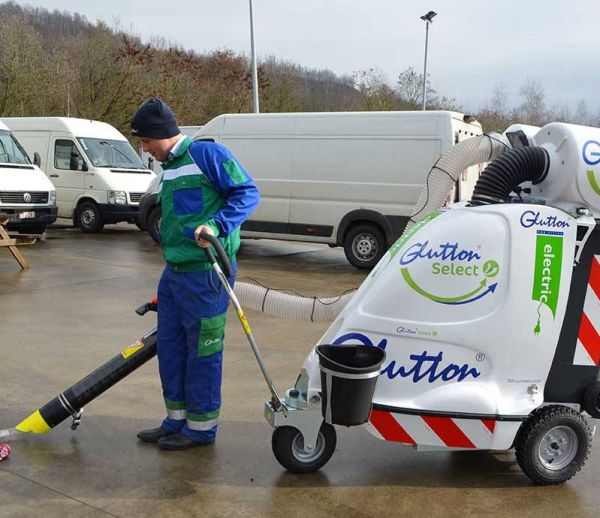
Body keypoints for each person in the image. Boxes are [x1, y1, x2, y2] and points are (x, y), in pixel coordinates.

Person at [131, 98, 260, 450]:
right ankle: (176, 421)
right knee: (171, 349)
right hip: (174, 274)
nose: (145, 149)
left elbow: (247, 192)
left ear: (161, 134)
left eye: (145, 142)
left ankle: (201, 428)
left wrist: (217, 226)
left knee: (202, 352)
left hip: (206, 274)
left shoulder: (208, 157)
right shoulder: (168, 167)